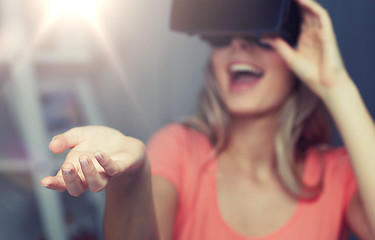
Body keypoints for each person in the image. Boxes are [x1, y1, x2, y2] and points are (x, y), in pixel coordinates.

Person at [41, 0, 375, 239]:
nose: (239, 44)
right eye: (222, 37)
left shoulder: (339, 173)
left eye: (261, 34)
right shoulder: (179, 149)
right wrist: (131, 183)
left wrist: (334, 83)